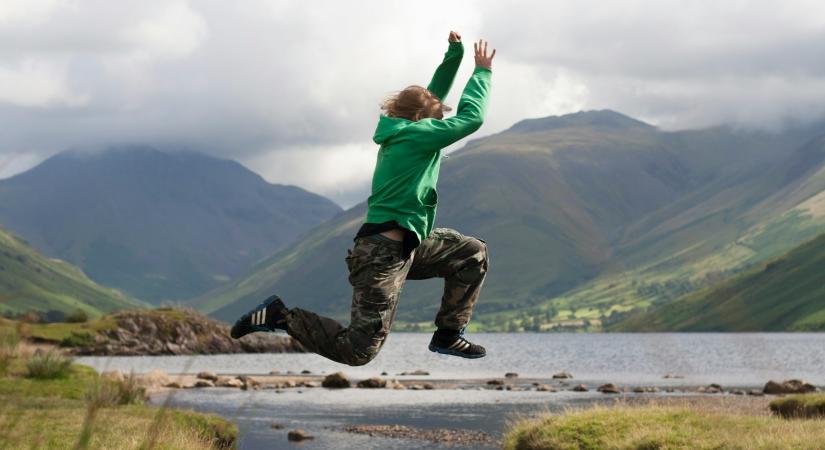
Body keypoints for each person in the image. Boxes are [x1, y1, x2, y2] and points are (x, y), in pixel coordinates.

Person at [231, 31, 495, 366]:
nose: (441, 126)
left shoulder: (405, 128)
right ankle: (282, 317)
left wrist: (454, 56)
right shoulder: (415, 135)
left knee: (472, 253)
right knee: (359, 351)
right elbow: (473, 118)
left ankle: (447, 335)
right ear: (420, 120)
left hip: (410, 246)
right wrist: (482, 72)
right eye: (437, 119)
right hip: (380, 256)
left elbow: (431, 98)